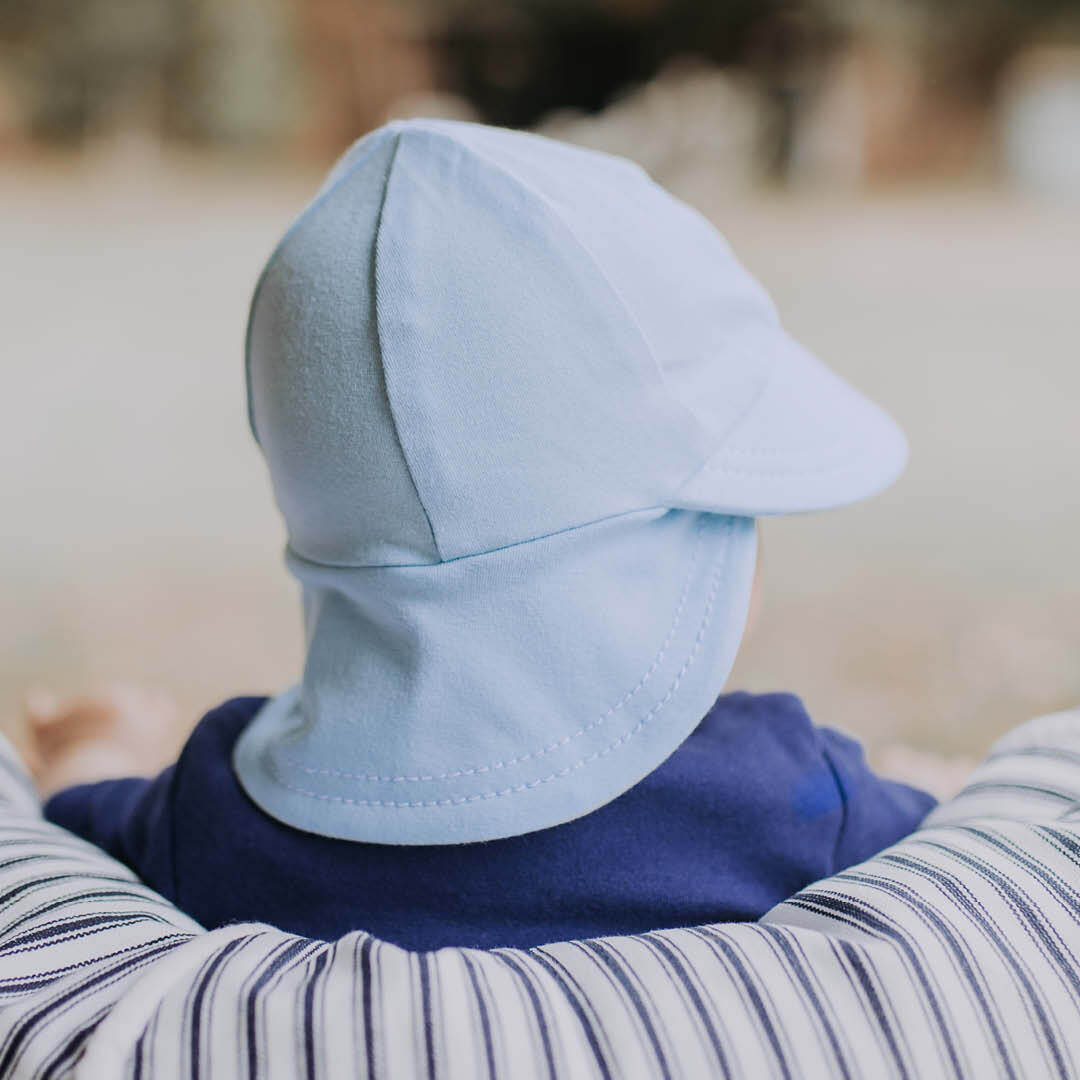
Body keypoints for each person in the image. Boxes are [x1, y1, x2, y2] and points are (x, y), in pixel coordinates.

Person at [30, 119, 934, 950]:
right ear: (693, 563)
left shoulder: (209, 812)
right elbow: (973, 839)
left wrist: (97, 741)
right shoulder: (793, 800)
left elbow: (76, 816)